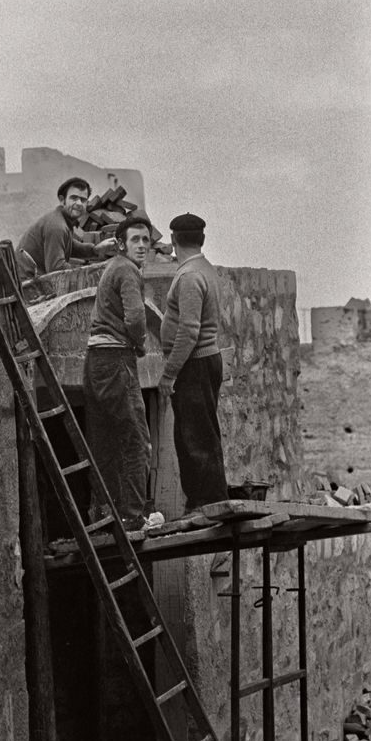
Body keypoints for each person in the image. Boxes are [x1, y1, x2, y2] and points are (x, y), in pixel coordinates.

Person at [83, 213, 163, 532]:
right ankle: (133, 514)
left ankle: (104, 513)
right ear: (121, 244)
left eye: (146, 240)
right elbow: (135, 317)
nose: (142, 246)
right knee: (136, 440)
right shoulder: (128, 270)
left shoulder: (112, 268)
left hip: (96, 361)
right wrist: (140, 345)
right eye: (135, 240)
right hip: (117, 359)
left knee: (106, 440)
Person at [158, 212, 229, 519]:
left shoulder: (188, 277)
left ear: (174, 240)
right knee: (203, 431)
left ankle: (203, 504)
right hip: (207, 360)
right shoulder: (206, 269)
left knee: (192, 436)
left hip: (194, 364)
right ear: (202, 239)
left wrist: (169, 372)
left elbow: (189, 330)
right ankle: (209, 500)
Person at [15, 177, 116, 279]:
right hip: (27, 287)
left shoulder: (64, 220)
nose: (79, 203)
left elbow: (70, 246)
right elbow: (56, 269)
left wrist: (96, 249)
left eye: (83, 200)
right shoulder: (57, 226)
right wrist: (89, 271)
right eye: (74, 198)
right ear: (62, 201)